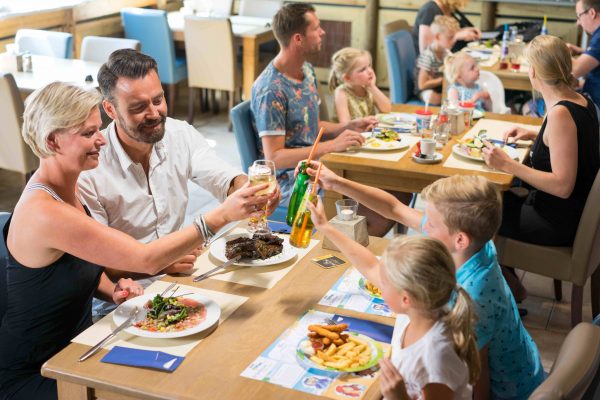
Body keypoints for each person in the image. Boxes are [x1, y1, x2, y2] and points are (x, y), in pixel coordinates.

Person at [0, 82, 270, 400]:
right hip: (37, 373)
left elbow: (75, 265)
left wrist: (109, 288)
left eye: (98, 129)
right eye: (88, 133)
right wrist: (219, 216)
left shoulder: (66, 190)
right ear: (52, 141)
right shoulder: (44, 211)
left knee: (186, 368)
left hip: (78, 349)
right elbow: (146, 260)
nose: (102, 139)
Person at [300, 163, 545, 399]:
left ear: (460, 239)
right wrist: (337, 183)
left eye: (432, 223)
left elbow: (479, 380)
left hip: (509, 391)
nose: (424, 226)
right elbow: (394, 208)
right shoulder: (472, 244)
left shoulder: (473, 299)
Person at [78, 49, 279, 316]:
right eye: (138, 107)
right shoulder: (90, 171)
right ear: (110, 109)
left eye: (158, 99)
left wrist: (248, 190)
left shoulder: (179, 134)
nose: (154, 113)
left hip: (181, 284)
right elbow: (97, 268)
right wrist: (160, 262)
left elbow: (223, 178)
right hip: (122, 303)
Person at [310, 228, 480, 399]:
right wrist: (326, 227)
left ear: (405, 299)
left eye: (383, 283)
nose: (379, 285)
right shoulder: (422, 307)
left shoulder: (435, 358)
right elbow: (370, 266)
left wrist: (399, 397)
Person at [251, 3, 376, 208]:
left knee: (383, 186)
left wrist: (347, 127)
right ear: (298, 39)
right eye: (316, 28)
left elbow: (311, 126)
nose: (322, 32)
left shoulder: (307, 70)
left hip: (317, 165)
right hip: (292, 182)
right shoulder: (270, 89)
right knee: (374, 198)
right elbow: (275, 157)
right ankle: (341, 236)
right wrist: (332, 146)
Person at [483, 35, 600, 247]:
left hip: (557, 221)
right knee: (487, 202)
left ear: (533, 72)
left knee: (476, 218)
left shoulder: (560, 114)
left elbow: (563, 186)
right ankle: (504, 274)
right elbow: (575, 144)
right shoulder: (581, 100)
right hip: (570, 212)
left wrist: (508, 165)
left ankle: (497, 278)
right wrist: (535, 134)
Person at [328, 47, 391, 124]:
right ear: (347, 78)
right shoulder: (341, 93)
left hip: (367, 131)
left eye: (369, 66)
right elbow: (345, 124)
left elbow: (387, 109)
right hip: (350, 133)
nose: (370, 71)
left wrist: (372, 87)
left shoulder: (367, 87)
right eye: (362, 69)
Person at [416, 16, 458, 105]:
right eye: (450, 37)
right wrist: (442, 80)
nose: (454, 40)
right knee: (435, 98)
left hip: (440, 86)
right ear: (438, 37)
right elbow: (421, 85)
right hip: (426, 90)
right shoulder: (428, 56)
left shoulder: (446, 52)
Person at [412, 0, 480, 55]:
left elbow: (448, 32)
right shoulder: (430, 10)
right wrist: (456, 36)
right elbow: (425, 51)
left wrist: (467, 30)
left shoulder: (449, 9)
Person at [569, 0, 600, 107]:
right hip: (592, 94)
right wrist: (583, 51)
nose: (578, 22)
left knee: (533, 106)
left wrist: (561, 50)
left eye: (579, 16)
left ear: (592, 13)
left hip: (596, 105)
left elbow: (575, 71)